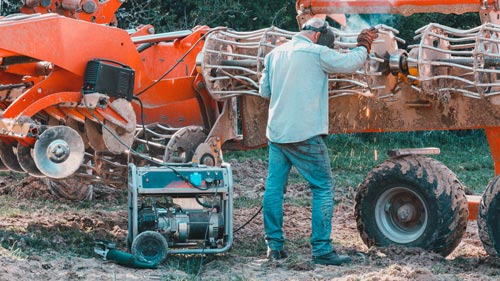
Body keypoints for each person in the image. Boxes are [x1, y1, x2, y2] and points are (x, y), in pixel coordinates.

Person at [258, 18, 378, 266]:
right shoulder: (316, 53)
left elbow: (264, 92)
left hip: (277, 134)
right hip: (304, 134)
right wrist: (364, 45)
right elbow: (351, 63)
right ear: (317, 35)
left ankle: (274, 247)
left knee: (274, 190)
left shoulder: (275, 54)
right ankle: (322, 250)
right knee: (322, 187)